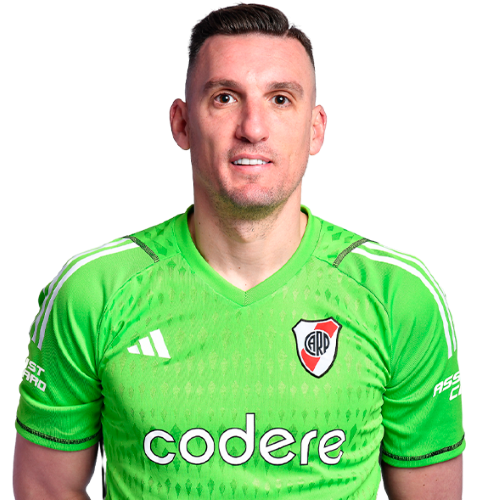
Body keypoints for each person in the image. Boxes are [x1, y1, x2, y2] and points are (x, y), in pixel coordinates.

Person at [13, 4, 465, 499]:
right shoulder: (94, 290)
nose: (253, 127)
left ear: (316, 129)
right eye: (225, 98)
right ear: (182, 124)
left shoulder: (399, 295)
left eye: (280, 99)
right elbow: (43, 489)